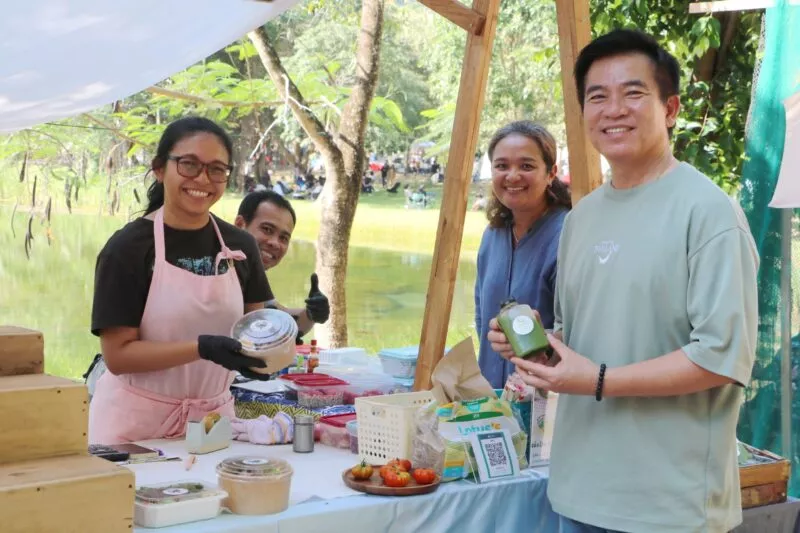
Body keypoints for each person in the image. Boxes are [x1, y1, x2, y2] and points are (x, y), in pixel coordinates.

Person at [488, 30, 759, 532]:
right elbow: (578, 336)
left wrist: (596, 381)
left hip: (668, 507)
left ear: (671, 107)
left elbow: (720, 357)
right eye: (598, 96)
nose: (614, 109)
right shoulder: (583, 217)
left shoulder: (708, 213)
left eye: (633, 93)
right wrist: (540, 350)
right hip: (576, 493)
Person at [89, 117, 272, 444]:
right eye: (189, 164)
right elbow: (118, 356)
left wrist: (264, 358)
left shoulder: (240, 246)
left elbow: (256, 333)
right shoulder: (128, 249)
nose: (203, 178)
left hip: (212, 424)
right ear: (160, 169)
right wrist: (201, 348)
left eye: (217, 169)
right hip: (133, 428)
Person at [475, 121, 571, 389]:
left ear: (551, 172)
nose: (513, 176)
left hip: (548, 395)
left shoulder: (569, 235)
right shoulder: (493, 235)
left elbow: (583, 332)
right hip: (493, 397)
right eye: (502, 166)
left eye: (526, 166)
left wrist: (542, 344)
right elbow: (482, 316)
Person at [235, 190, 330, 337]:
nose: (275, 243)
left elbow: (280, 318)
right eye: (267, 229)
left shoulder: (253, 276)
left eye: (284, 238)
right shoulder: (216, 271)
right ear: (240, 225)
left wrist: (312, 312)